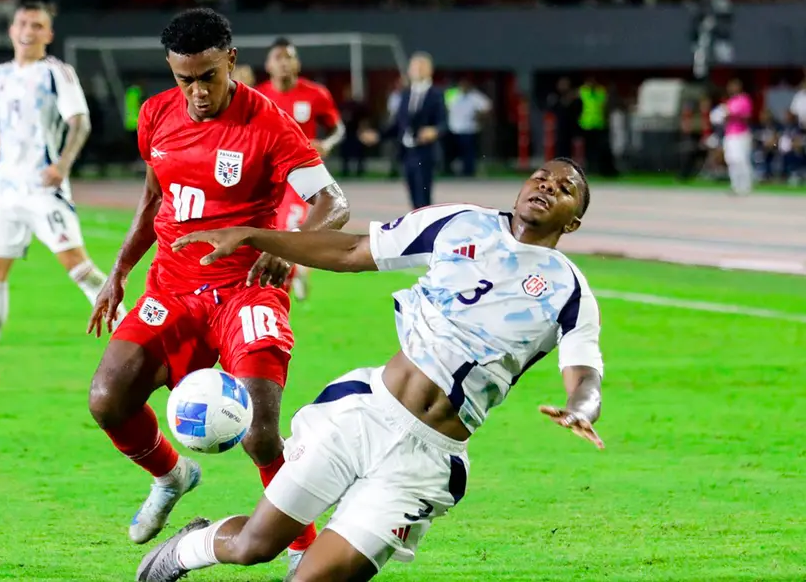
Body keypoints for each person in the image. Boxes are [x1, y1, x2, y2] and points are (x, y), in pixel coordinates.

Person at [137, 157, 605, 582]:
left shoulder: (569, 291)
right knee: (253, 546)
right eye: (540, 177)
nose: (546, 186)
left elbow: (585, 374)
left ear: (575, 220)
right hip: (363, 414)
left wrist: (580, 407)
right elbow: (351, 252)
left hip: (426, 461)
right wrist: (254, 235)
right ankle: (183, 550)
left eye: (564, 189)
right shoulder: (458, 224)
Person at [85, 8, 350, 581]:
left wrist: (291, 243)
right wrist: (119, 271)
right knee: (108, 398)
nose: (198, 92)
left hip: (246, 290)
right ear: (170, 70)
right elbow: (155, 196)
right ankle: (171, 476)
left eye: (209, 76)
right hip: (173, 286)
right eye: (185, 79)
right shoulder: (156, 114)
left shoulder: (271, 124)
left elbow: (333, 202)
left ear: (231, 60)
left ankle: (303, 549)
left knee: (259, 433)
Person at [0, 1, 125, 395]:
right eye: (23, 22)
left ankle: (140, 337)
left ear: (48, 34)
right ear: (11, 29)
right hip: (4, 192)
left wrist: (63, 165)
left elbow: (79, 121)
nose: (28, 30)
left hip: (43, 189)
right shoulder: (1, 75)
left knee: (79, 268)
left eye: (37, 25)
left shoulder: (56, 73)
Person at [256, 37, 346, 302]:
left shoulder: (316, 94)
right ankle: (296, 271)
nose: (284, 63)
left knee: (291, 226)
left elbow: (338, 128)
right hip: (268, 176)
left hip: (301, 174)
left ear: (297, 63)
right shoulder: (258, 96)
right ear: (268, 65)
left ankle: (286, 277)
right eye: (278, 58)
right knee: (271, 229)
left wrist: (327, 144)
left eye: (289, 57)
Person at [361, 52, 447, 210]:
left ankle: (426, 230)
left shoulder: (437, 94)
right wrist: (378, 135)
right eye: (414, 67)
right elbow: (398, 125)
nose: (417, 70)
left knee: (423, 197)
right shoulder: (405, 94)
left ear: (430, 70)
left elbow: (443, 123)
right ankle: (416, 229)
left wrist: (434, 131)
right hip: (407, 153)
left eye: (421, 67)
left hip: (425, 152)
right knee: (413, 195)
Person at [722, 78, 754, 196]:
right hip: (729, 133)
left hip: (741, 134)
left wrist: (733, 116)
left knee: (741, 160)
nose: (731, 89)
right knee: (731, 160)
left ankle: (746, 186)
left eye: (733, 86)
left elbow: (747, 117)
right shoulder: (731, 101)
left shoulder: (744, 99)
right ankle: (735, 185)